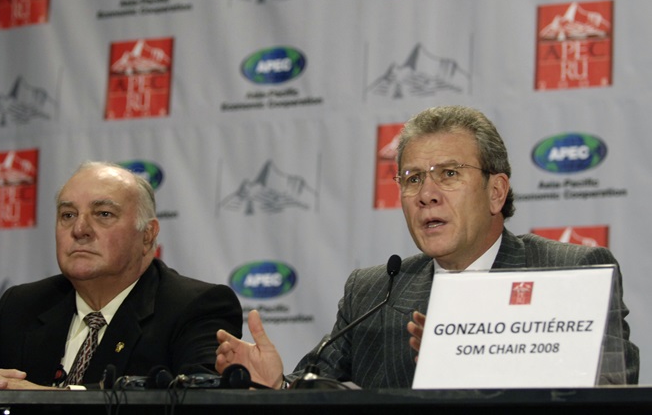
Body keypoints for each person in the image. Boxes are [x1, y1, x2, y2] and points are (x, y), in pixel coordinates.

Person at [215, 105, 639, 388]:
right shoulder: (375, 290)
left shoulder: (569, 273)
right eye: (413, 178)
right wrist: (277, 385)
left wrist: (477, 359)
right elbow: (320, 390)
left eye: (449, 174)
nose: (426, 194)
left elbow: (610, 389)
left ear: (496, 192)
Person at [0, 161, 243, 389]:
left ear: (147, 235)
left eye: (102, 214)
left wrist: (38, 402)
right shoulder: (24, 306)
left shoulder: (194, 306)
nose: (80, 229)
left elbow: (197, 403)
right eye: (68, 215)